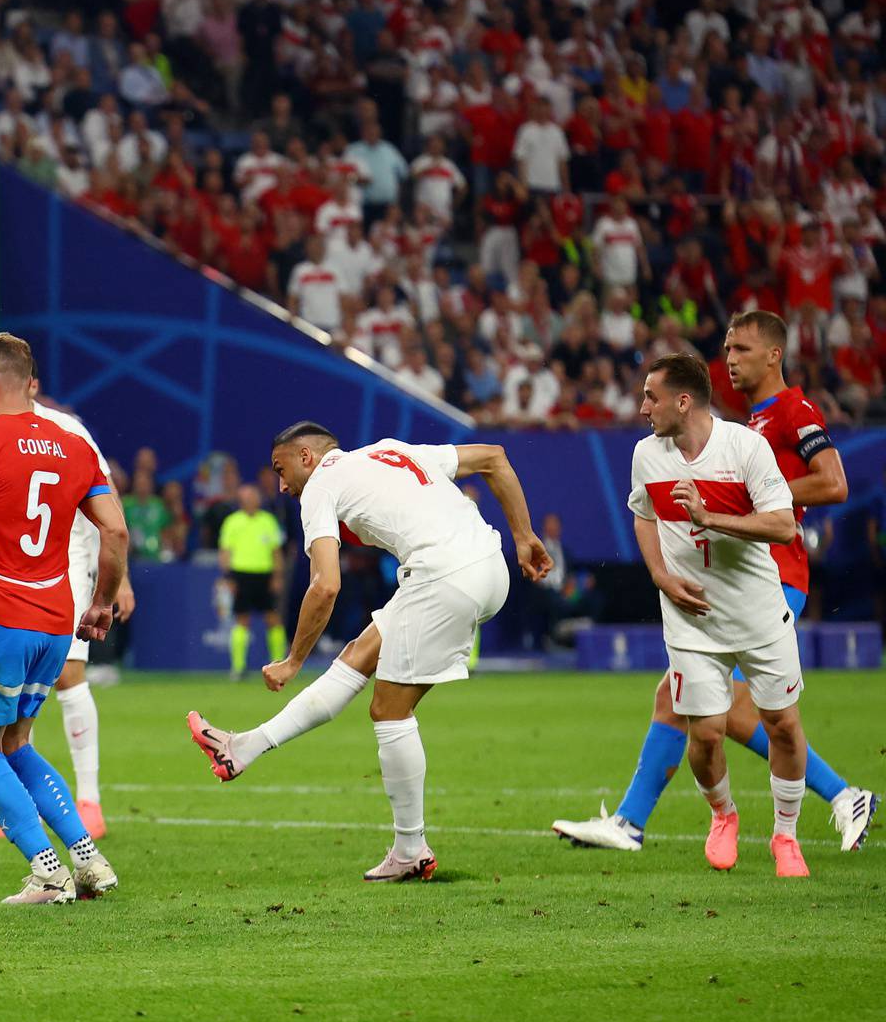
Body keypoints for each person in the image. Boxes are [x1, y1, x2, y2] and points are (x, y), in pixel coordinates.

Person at [553, 314, 876, 852]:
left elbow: (834, 482)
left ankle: (841, 795)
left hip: (774, 574)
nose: (731, 358)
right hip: (737, 572)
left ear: (774, 355)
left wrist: (757, 496)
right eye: (727, 348)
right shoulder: (751, 422)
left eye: (743, 348)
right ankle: (632, 821)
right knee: (683, 700)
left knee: (729, 709)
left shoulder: (792, 411)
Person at [188, 423, 551, 882]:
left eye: (281, 470)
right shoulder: (390, 450)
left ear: (306, 457)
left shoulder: (320, 484)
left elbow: (325, 585)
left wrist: (293, 660)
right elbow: (495, 457)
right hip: (489, 566)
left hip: (443, 575)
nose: (281, 485)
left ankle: (410, 847)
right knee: (360, 654)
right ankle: (245, 746)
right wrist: (523, 535)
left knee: (390, 712)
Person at [0, 333, 129, 905]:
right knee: (18, 742)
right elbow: (115, 530)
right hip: (57, 620)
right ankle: (89, 860)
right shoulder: (74, 445)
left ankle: (47, 871)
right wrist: (103, 602)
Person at [620, 354, 817, 876]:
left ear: (683, 402)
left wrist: (709, 516)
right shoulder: (647, 455)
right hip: (690, 619)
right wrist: (661, 576)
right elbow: (643, 516)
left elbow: (781, 527)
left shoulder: (745, 447)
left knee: (782, 725)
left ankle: (786, 835)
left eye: (651, 397)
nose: (643, 408)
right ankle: (723, 815)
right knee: (704, 735)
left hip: (756, 614)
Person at [218, 483, 287, 680]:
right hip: (241, 575)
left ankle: (278, 664)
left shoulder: (268, 521)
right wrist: (228, 577)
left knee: (273, 619)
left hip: (264, 575)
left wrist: (277, 576)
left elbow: (276, 552)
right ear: (241, 500)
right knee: (242, 620)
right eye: (247, 497)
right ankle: (238, 667)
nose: (251, 500)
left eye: (253, 496)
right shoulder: (232, 522)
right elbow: (225, 552)